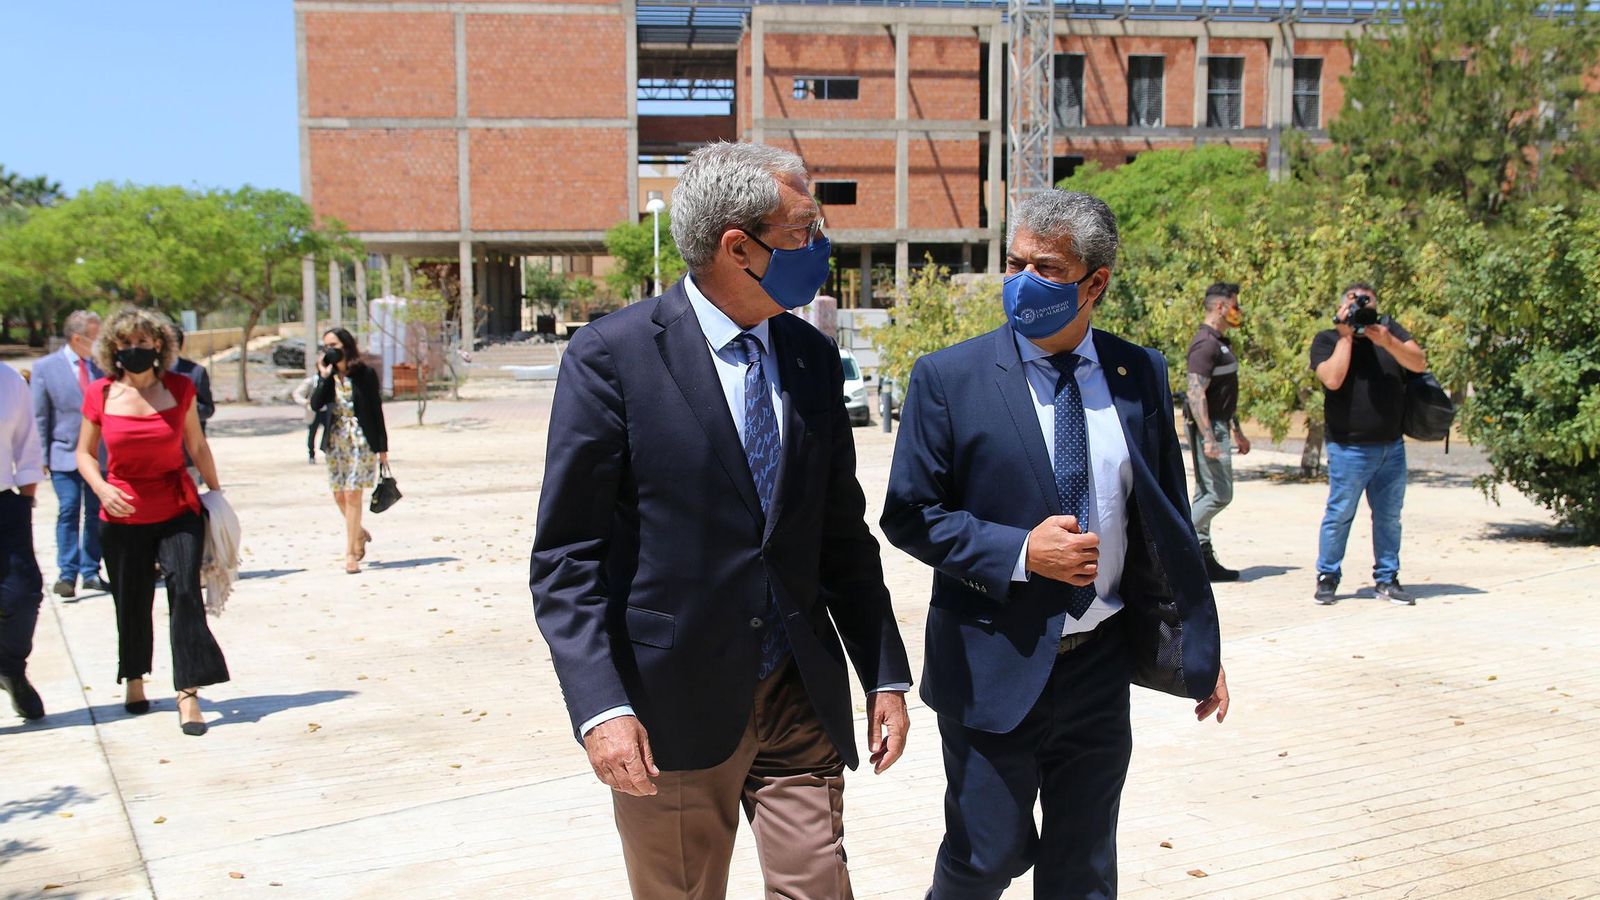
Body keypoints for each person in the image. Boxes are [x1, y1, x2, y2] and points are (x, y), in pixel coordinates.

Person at [531, 141, 912, 900]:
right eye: (805, 231)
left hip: (797, 691)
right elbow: (567, 559)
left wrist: (885, 671)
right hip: (672, 709)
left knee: (820, 888)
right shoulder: (612, 357)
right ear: (740, 247)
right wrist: (601, 708)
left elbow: (839, 534)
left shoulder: (809, 355)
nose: (821, 248)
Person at [882, 189, 1230, 900]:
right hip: (992, 662)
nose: (1020, 280)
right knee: (987, 855)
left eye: (1044, 267)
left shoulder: (1139, 375)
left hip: (1096, 667)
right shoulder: (949, 379)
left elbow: (1165, 528)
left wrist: (1199, 649)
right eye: (1013, 262)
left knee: (1084, 868)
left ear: (1095, 282)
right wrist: (1019, 554)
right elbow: (909, 515)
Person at [76, 308, 229, 736]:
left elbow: (196, 446)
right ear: (113, 348)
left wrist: (217, 495)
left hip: (177, 508)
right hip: (121, 513)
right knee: (131, 597)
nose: (135, 350)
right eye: (125, 344)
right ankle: (135, 678)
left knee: (184, 593)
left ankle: (188, 692)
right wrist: (102, 488)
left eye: (143, 343)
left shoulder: (180, 388)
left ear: (159, 345)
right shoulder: (100, 393)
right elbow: (84, 454)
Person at [1309, 282, 1428, 606]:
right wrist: (1347, 334)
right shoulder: (1327, 339)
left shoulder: (1389, 333)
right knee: (1340, 514)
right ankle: (1328, 576)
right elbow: (1332, 379)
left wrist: (1386, 339)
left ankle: (1387, 579)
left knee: (1389, 517)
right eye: (1352, 300)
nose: (1360, 305)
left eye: (1366, 301)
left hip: (1391, 447)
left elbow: (1419, 363)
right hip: (1348, 448)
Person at [30, 310, 105, 598]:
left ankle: (91, 571)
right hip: (63, 453)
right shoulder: (45, 368)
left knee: (96, 513)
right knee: (69, 508)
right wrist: (41, 458)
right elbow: (39, 415)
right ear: (77, 338)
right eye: (94, 337)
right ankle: (67, 573)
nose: (99, 343)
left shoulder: (103, 366)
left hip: (99, 455)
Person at [1185, 282, 1250, 581]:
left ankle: (1202, 558)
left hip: (1222, 426)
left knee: (1204, 494)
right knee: (1219, 494)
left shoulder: (1222, 342)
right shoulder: (1205, 344)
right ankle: (1175, 546)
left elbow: (1224, 394)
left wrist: (1237, 430)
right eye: (1235, 305)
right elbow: (1195, 393)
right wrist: (1209, 437)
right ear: (1221, 307)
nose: (1239, 311)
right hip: (1209, 431)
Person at [310, 328, 386, 574]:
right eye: (326, 346)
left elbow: (376, 410)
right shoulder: (328, 376)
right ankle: (360, 532)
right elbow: (316, 404)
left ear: (346, 345)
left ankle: (350, 553)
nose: (330, 350)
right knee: (339, 495)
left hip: (361, 440)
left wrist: (382, 448)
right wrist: (323, 376)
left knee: (353, 494)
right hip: (335, 440)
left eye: (334, 345)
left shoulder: (364, 373)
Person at [1, 360, 47, 720]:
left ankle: (11, 667)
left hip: (5, 504)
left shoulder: (9, 380)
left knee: (23, 592)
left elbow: (27, 444)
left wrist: (26, 500)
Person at [169, 325, 215, 433]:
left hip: (188, 444)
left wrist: (183, 407)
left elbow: (207, 410)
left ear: (176, 345)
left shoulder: (196, 373)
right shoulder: (152, 374)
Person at [292, 372, 329, 464]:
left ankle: (327, 452)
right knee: (312, 434)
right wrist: (306, 403)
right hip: (313, 411)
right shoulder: (311, 381)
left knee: (329, 433)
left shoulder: (332, 380)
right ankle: (311, 455)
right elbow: (297, 394)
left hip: (326, 411)